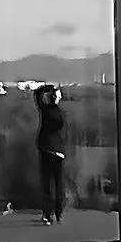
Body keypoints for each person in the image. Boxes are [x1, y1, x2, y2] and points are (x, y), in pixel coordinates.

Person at [33, 83, 69, 227]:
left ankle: (47, 214)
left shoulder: (45, 110)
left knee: (47, 183)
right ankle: (58, 213)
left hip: (46, 149)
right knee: (58, 183)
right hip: (58, 151)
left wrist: (47, 88)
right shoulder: (61, 114)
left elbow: (37, 95)